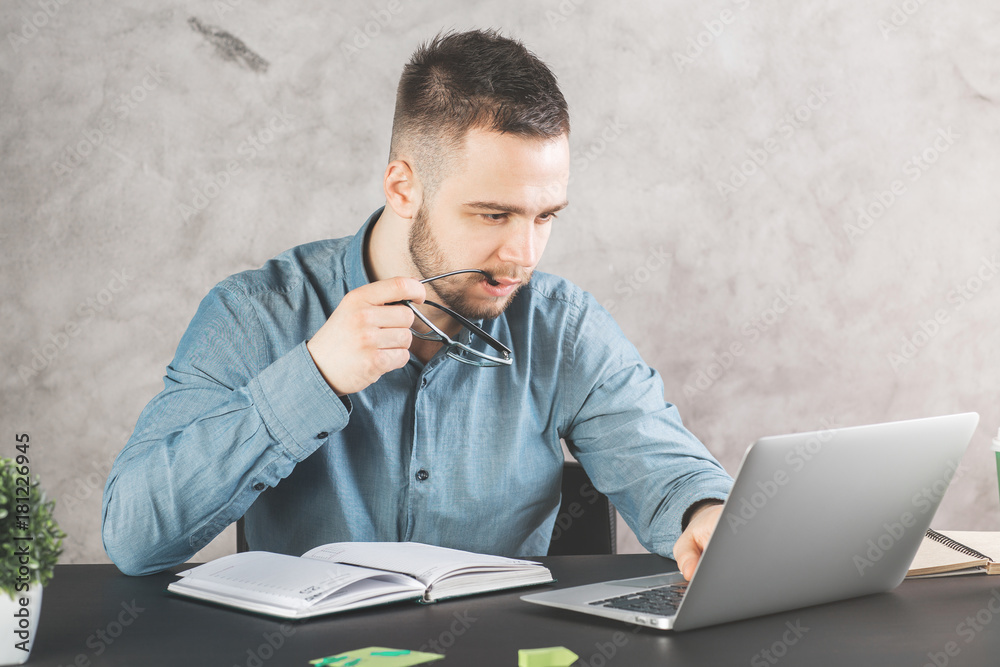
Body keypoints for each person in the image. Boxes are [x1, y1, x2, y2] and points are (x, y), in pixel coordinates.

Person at [102, 28, 733, 577]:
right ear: (404, 187)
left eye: (546, 216)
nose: (524, 253)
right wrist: (312, 377)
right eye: (493, 213)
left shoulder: (562, 327)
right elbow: (135, 539)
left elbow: (667, 467)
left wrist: (705, 513)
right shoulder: (256, 312)